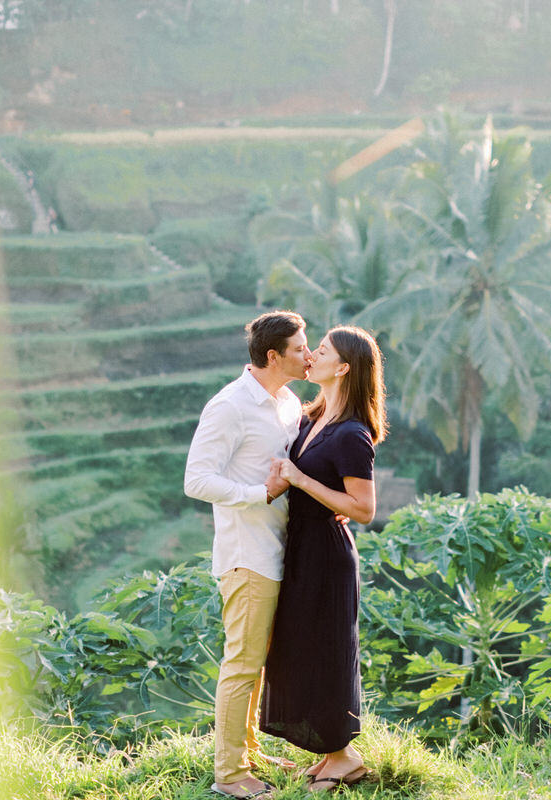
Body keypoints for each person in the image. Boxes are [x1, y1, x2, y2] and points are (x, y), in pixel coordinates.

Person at [184, 310, 310, 800]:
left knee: (256, 663)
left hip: (278, 549)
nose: (309, 354)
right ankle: (230, 775)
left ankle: (248, 751)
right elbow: (196, 480)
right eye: (301, 348)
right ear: (273, 355)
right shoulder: (229, 406)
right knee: (241, 663)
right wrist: (261, 493)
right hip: (246, 554)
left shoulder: (289, 402)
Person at [259, 325, 387, 794]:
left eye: (323, 350)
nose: (312, 354)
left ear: (344, 368)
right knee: (302, 648)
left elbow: (365, 510)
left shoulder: (353, 433)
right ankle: (334, 754)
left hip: (328, 558)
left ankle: (343, 757)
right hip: (302, 549)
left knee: (328, 650)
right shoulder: (314, 417)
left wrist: (299, 479)